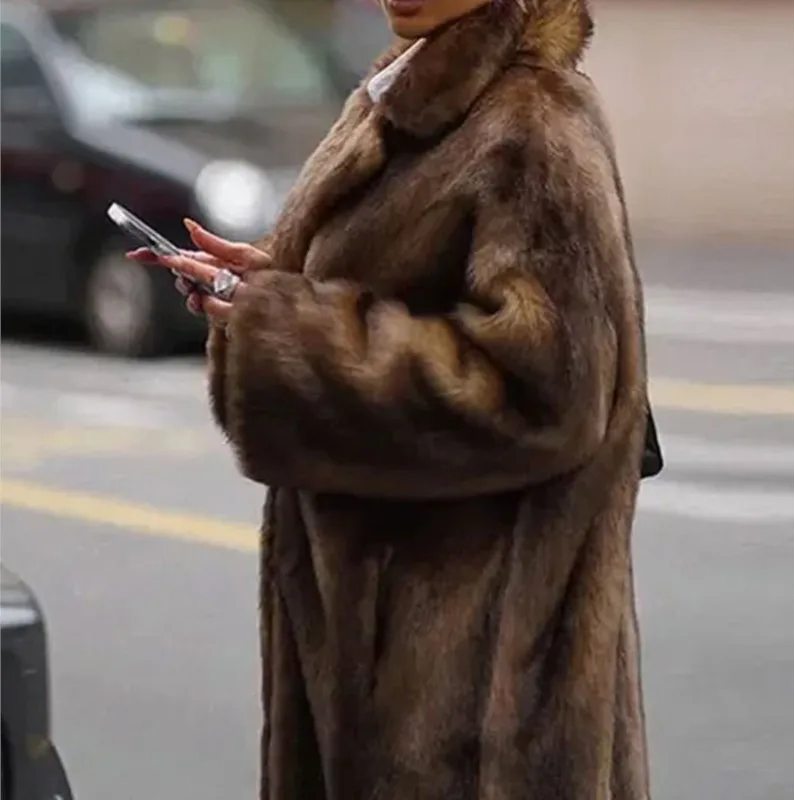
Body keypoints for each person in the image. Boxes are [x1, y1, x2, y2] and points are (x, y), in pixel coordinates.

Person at [130, 0, 655, 797]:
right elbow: (398, 293)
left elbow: (544, 392)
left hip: (469, 697)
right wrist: (273, 284)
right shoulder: (402, 90)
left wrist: (291, 330)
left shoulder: (532, 121)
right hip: (380, 648)